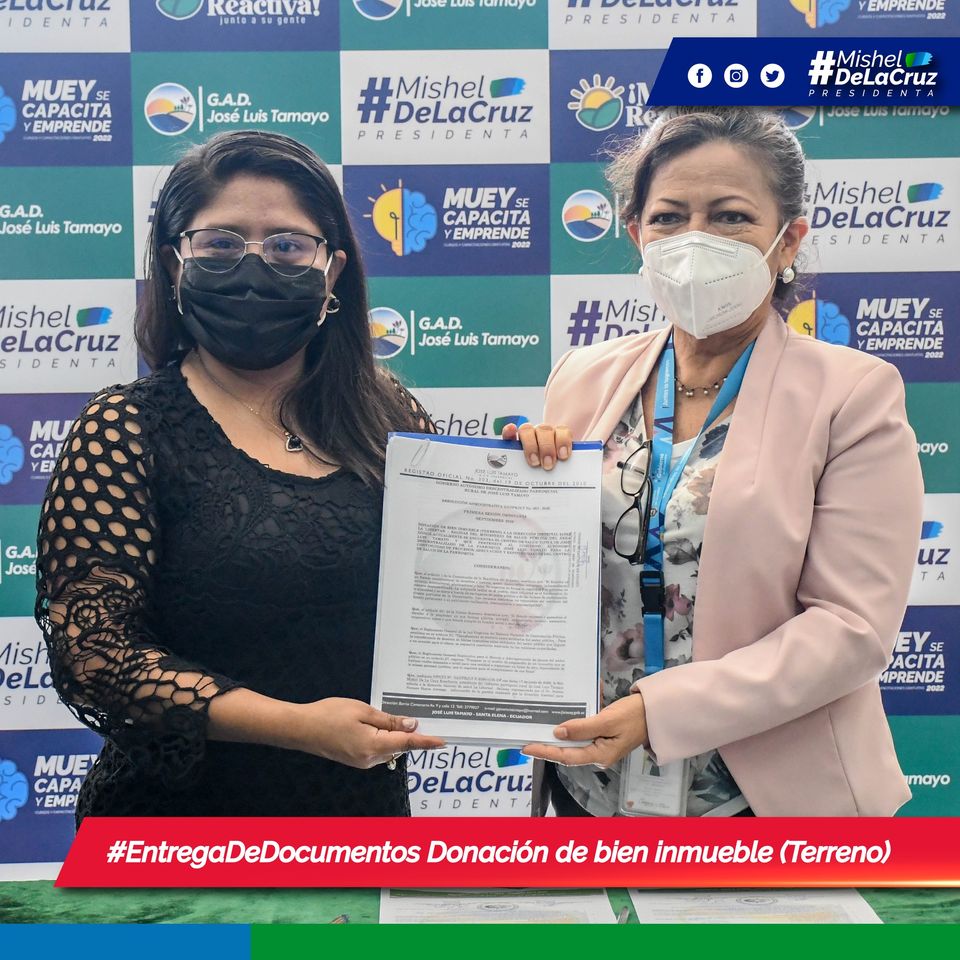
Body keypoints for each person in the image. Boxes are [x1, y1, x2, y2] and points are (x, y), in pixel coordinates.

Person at [507, 107, 923, 817]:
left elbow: (851, 629)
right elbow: (546, 576)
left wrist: (662, 709)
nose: (695, 239)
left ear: (788, 240)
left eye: (731, 217)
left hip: (763, 800)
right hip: (590, 786)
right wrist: (513, 496)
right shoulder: (582, 375)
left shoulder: (853, 394)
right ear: (636, 234)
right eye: (669, 218)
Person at [34, 130, 444, 820]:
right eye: (221, 244)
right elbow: (96, 656)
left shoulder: (387, 414)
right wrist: (297, 726)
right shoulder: (125, 429)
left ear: (332, 271)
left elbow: (453, 582)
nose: (254, 267)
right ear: (175, 265)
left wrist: (528, 474)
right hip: (178, 831)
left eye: (287, 246)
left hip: (358, 814)